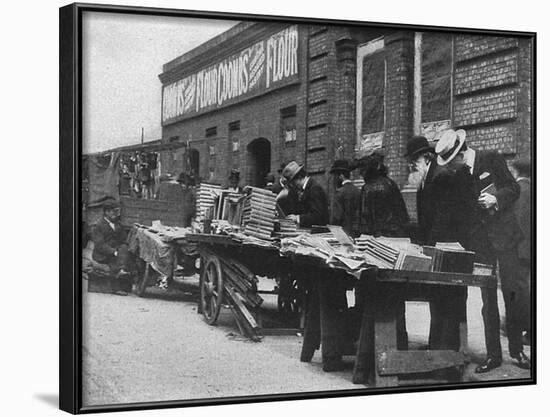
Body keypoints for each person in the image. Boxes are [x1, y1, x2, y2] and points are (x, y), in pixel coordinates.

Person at [435, 129, 526, 372]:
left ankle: (517, 350)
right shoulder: (459, 176)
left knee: (511, 294)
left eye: (451, 161)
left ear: (460, 153)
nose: (450, 167)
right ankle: (493, 355)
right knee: (488, 300)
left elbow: (513, 189)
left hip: (506, 237)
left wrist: (495, 198)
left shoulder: (491, 158)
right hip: (482, 244)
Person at [282, 161, 345, 371]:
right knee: (313, 294)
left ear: (297, 179)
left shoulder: (315, 189)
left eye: (292, 184)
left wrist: (299, 218)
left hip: (319, 244)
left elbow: (320, 216)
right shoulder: (302, 190)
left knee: (318, 294)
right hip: (308, 241)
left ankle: (318, 341)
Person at [358, 152, 409, 237]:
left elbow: (365, 215)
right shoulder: (391, 183)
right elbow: (402, 213)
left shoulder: (367, 188)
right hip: (395, 233)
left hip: (376, 235)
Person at [510, 158, 532, 351]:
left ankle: (527, 330)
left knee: (521, 290)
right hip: (531, 248)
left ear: (516, 171)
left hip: (518, 248)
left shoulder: (517, 191)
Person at [91, 197, 132, 295]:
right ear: (106, 212)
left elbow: (124, 240)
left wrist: (122, 250)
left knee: (125, 250)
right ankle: (116, 288)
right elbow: (100, 245)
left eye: (117, 211)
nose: (115, 214)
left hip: (117, 253)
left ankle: (123, 274)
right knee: (115, 261)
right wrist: (114, 252)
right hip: (102, 254)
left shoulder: (118, 225)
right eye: (113, 211)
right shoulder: (98, 226)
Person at [281, 161, 329, 227]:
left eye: (293, 183)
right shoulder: (300, 190)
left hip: (317, 232)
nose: (293, 186)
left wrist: (298, 218)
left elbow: (318, 215)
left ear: (299, 177)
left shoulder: (315, 188)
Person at [329, 159, 361, 237]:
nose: (334, 179)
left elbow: (336, 218)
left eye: (335, 176)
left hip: (342, 236)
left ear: (341, 176)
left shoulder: (339, 193)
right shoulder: (358, 191)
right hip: (358, 235)